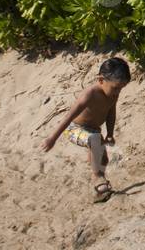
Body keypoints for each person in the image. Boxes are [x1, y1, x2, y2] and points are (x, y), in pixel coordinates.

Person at [41, 58, 131, 203]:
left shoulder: (113, 94)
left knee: (103, 160)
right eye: (115, 88)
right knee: (94, 141)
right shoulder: (90, 94)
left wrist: (110, 133)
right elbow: (68, 116)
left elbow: (111, 113)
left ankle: (98, 192)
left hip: (94, 131)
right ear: (101, 80)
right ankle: (98, 179)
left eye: (121, 88)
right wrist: (52, 138)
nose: (118, 92)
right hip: (74, 129)